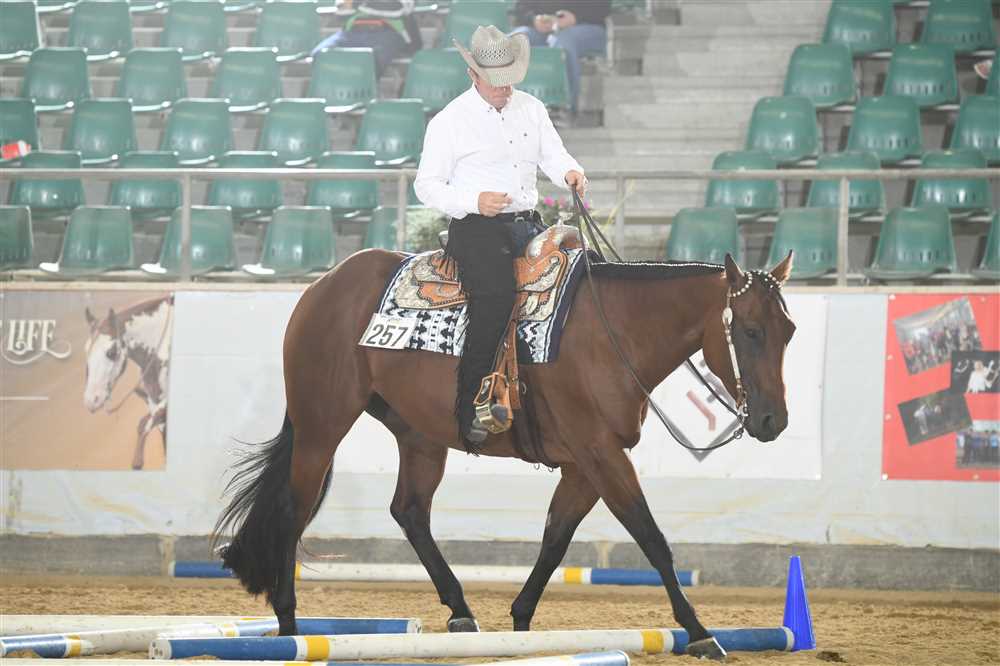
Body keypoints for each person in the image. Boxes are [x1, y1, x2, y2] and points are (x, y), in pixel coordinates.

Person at [413, 25, 586, 449]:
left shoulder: (531, 108)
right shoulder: (450, 121)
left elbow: (553, 153)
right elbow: (426, 185)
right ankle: (471, 404)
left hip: (526, 222)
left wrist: (570, 171)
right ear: (473, 74)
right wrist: (473, 200)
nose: (504, 87)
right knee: (495, 296)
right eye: (495, 80)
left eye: (509, 79)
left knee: (578, 279)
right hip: (476, 227)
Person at [511, 0, 612, 116]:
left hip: (586, 26)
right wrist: (533, 19)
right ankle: (509, 108)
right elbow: (520, 8)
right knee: (516, 39)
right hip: (541, 29)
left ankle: (563, 108)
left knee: (563, 42)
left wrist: (576, 18)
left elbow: (603, 7)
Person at [311, 0, 422, 77]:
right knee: (320, 55)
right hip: (351, 31)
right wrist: (366, 5)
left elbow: (397, 8)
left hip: (387, 31)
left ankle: (360, 95)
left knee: (368, 66)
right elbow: (341, 11)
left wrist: (358, 4)